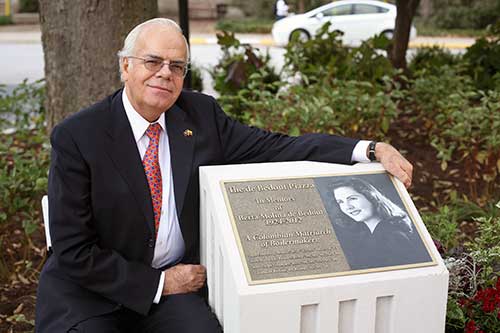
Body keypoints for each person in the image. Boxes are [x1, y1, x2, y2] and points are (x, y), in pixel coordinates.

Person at [35, 18, 413, 332]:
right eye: (153, 61)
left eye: (177, 66)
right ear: (126, 66)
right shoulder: (78, 136)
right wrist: (161, 283)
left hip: (174, 292)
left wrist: (367, 149)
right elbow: (73, 251)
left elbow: (276, 147)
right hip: (92, 294)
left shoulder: (199, 117)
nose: (165, 74)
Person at [328, 177, 431, 270]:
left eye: (352, 198)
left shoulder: (392, 236)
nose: (347, 207)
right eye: (340, 202)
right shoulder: (370, 235)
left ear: (370, 196)